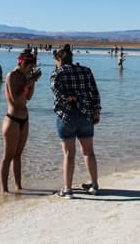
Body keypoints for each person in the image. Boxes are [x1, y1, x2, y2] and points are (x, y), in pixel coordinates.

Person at [50, 44, 101, 199]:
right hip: (86, 116)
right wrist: (96, 111)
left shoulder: (56, 74)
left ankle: (68, 190)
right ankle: (94, 185)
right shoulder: (86, 71)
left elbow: (58, 94)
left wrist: (70, 98)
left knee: (69, 155)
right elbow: (95, 93)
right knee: (89, 152)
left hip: (67, 117)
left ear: (59, 59)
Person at [0, 49, 41, 193]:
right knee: (8, 156)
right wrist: (29, 82)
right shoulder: (12, 76)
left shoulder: (25, 76)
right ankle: (4, 190)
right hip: (12, 120)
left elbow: (28, 98)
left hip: (24, 119)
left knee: (18, 155)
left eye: (33, 68)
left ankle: (18, 186)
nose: (31, 69)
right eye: (30, 67)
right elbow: (16, 99)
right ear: (22, 63)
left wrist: (32, 81)